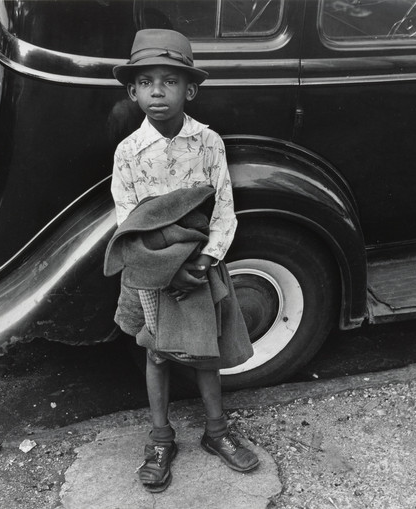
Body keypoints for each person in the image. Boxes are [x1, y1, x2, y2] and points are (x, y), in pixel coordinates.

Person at [107, 29, 259, 493]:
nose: (157, 91)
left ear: (189, 90)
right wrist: (167, 267)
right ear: (132, 92)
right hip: (153, 267)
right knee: (157, 351)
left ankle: (216, 431)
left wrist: (205, 261)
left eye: (169, 81)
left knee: (204, 349)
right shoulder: (129, 152)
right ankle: (160, 440)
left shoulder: (208, 143)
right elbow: (128, 219)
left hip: (201, 265)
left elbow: (225, 210)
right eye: (146, 82)